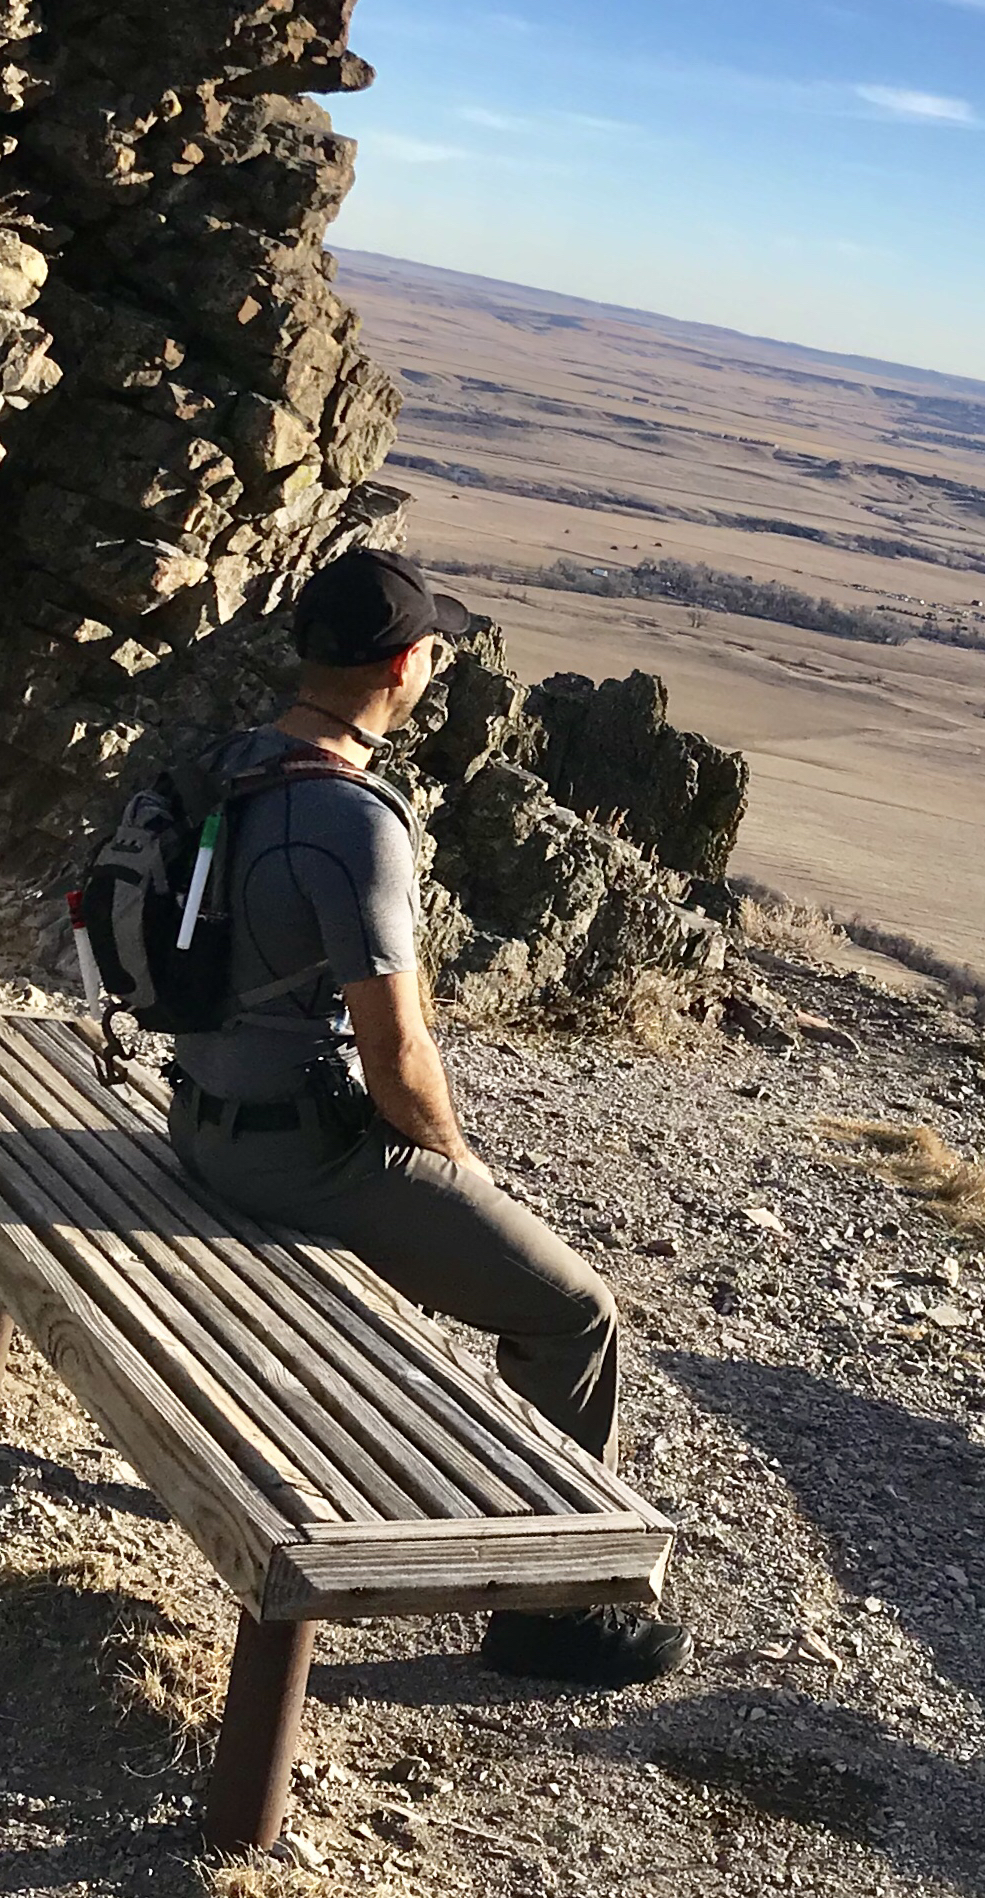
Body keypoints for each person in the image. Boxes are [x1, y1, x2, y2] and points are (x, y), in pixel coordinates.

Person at [167, 547, 689, 1686]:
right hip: (294, 1158)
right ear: (403, 665)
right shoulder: (352, 818)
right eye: (432, 648)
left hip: (196, 1121)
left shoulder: (233, 760)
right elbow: (396, 1054)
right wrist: (461, 1168)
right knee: (577, 1310)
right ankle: (548, 1610)